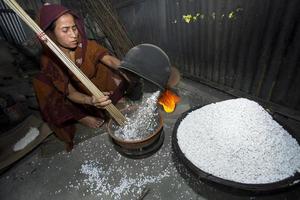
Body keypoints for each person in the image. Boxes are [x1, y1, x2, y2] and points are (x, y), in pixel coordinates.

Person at [33, 4, 138, 151]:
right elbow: (70, 93)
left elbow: (108, 59)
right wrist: (91, 100)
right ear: (51, 34)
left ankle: (115, 99)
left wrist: (128, 68)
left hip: (84, 82)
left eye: (74, 27)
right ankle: (82, 116)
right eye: (65, 30)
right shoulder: (50, 61)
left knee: (102, 66)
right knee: (46, 88)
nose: (74, 34)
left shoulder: (83, 44)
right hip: (70, 94)